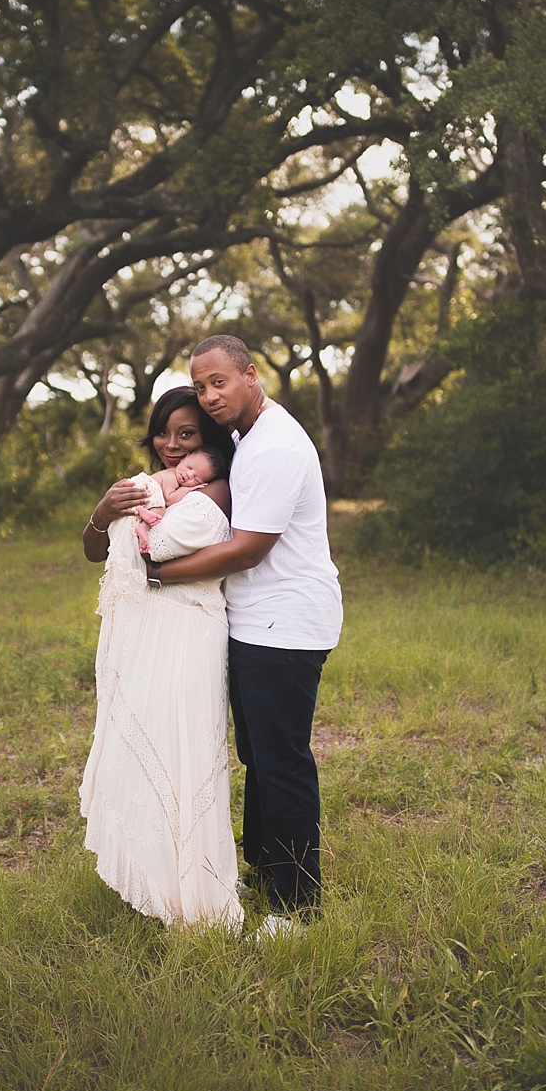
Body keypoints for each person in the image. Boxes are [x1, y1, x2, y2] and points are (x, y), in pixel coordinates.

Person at [146, 336, 343, 929]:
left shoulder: (276, 444)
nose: (208, 396)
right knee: (258, 755)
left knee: (281, 761)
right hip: (257, 622)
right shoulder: (246, 438)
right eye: (200, 386)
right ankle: (264, 871)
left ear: (251, 375)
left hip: (286, 624)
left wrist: (159, 574)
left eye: (218, 382)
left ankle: (295, 907)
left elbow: (250, 548)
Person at [78, 384, 241, 929]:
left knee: (182, 748)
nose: (171, 445)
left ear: (208, 438)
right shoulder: (148, 485)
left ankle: (194, 889)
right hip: (145, 631)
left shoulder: (216, 490)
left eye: (187, 434)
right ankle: (149, 872)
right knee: (140, 741)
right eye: (164, 433)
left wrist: (140, 535)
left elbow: (160, 548)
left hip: (188, 628)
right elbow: (93, 549)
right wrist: (103, 512)